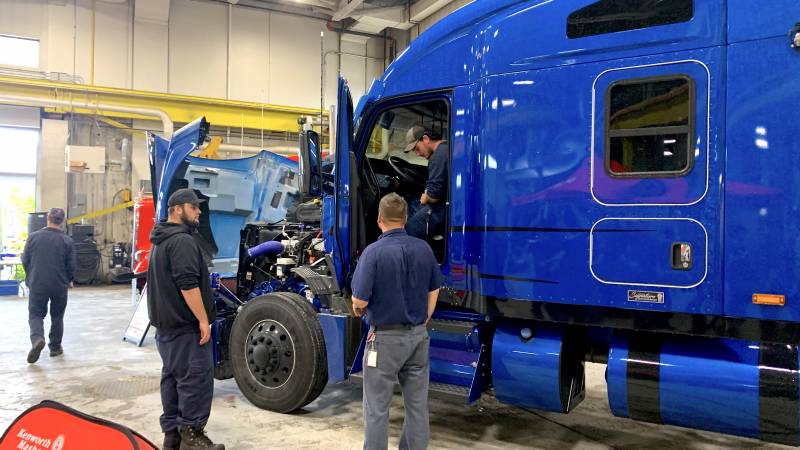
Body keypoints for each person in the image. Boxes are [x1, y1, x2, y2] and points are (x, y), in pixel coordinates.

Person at [351, 193, 444, 450]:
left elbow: (359, 300)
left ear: (379, 219)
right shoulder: (424, 249)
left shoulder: (373, 253)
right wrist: (425, 318)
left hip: (385, 340)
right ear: (405, 218)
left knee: (377, 407)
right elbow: (434, 288)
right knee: (417, 406)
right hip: (418, 337)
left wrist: (358, 309)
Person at [147, 188, 225, 450]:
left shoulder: (160, 238)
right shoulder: (182, 241)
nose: (199, 211)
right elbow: (187, 284)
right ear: (178, 209)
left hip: (166, 330)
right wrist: (203, 319)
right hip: (185, 327)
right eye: (194, 207)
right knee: (195, 380)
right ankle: (192, 436)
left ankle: (172, 436)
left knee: (172, 379)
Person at [21, 207, 75, 364]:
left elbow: (25, 259)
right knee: (57, 316)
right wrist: (70, 279)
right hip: (59, 284)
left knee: (36, 314)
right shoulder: (67, 240)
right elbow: (71, 264)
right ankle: (55, 348)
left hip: (38, 283)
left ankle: (37, 339)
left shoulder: (33, 237)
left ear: (48, 219)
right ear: (62, 221)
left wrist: (31, 276)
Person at [403, 125, 449, 240]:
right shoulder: (445, 148)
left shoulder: (438, 157)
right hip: (444, 202)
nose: (417, 154)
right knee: (412, 202)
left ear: (426, 139)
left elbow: (433, 196)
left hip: (440, 209)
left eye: (417, 148)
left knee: (407, 233)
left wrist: (426, 198)